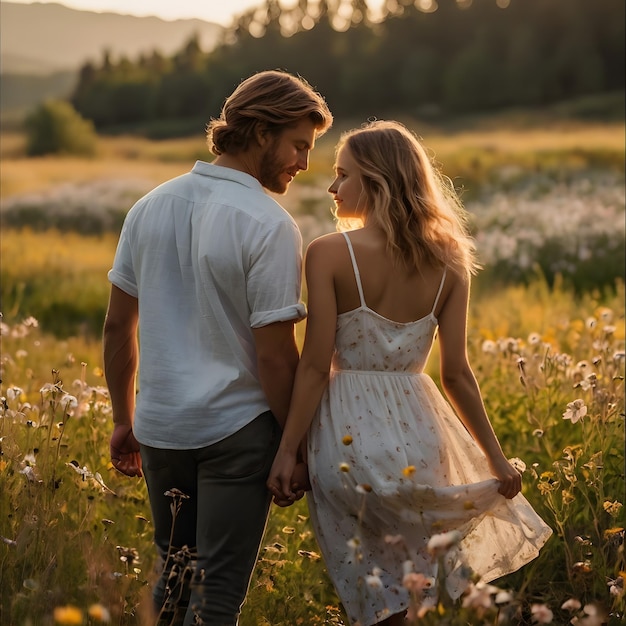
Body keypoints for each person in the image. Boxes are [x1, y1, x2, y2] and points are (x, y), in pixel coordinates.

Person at [267, 120, 552, 626]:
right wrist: (497, 460)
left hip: (346, 438)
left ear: (376, 181)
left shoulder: (329, 253)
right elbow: (457, 374)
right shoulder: (450, 262)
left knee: (373, 595)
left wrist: (287, 451)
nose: (332, 188)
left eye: (343, 175)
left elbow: (313, 366)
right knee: (414, 589)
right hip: (420, 437)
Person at [102, 69, 333, 626]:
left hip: (160, 429)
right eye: (299, 146)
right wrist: (294, 447)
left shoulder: (148, 207)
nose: (303, 164)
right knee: (217, 597)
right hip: (238, 432)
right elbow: (276, 356)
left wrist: (122, 419)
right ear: (259, 132)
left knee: (173, 584)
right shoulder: (270, 225)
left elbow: (116, 328)